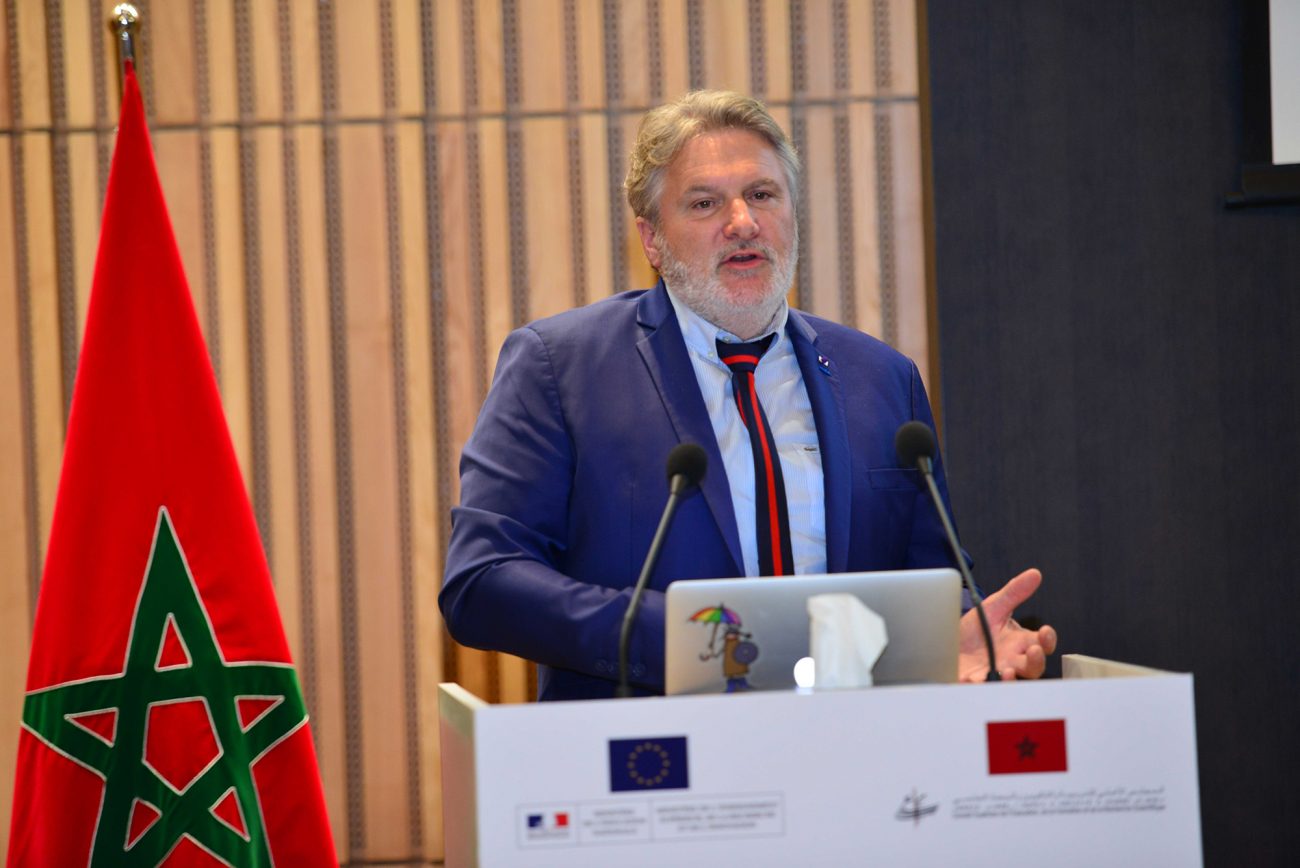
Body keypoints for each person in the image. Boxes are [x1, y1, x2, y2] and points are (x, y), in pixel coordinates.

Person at [440, 90, 1056, 701]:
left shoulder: (883, 378)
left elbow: (927, 577)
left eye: (762, 194)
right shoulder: (561, 368)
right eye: (705, 203)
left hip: (851, 741)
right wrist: (690, 638)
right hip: (652, 745)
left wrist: (959, 630)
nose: (743, 222)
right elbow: (483, 582)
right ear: (652, 239)